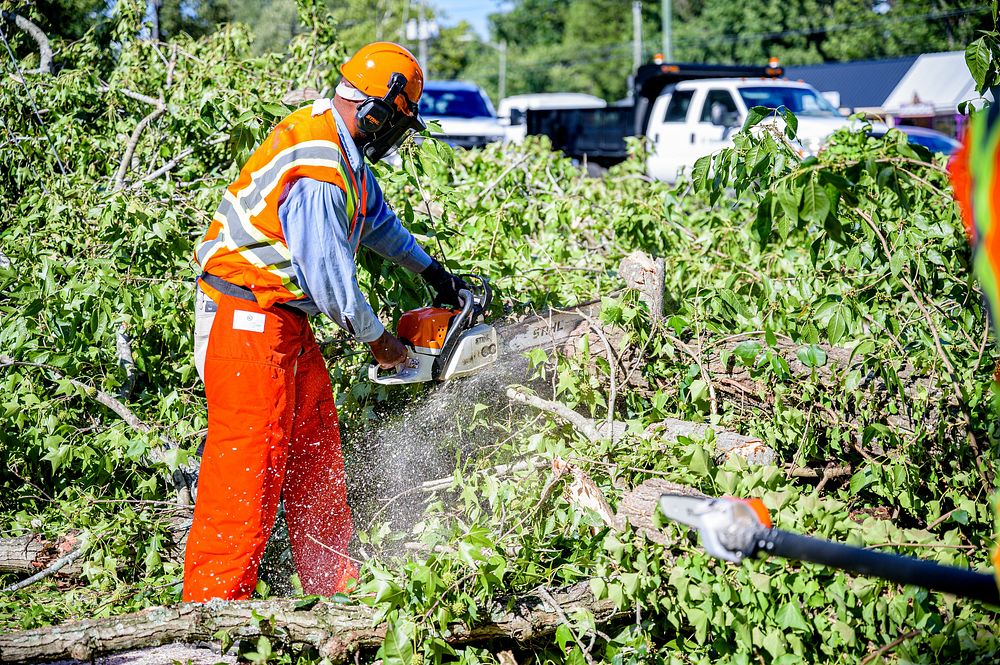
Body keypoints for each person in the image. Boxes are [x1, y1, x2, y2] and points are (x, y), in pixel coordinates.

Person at [182, 42, 467, 602]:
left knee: (315, 451)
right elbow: (329, 281)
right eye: (399, 123)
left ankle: (332, 593)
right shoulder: (318, 167)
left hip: (282, 321)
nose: (397, 136)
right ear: (377, 111)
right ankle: (209, 617)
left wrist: (435, 273)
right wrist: (381, 341)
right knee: (248, 469)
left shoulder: (342, 150)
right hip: (245, 315)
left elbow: (377, 221)